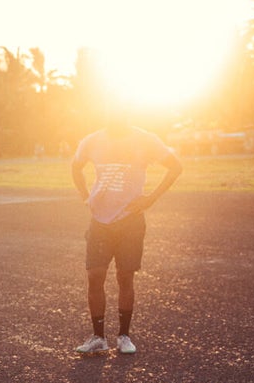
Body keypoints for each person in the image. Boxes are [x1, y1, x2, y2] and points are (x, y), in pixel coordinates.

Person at [71, 114, 182, 354]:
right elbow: (75, 167)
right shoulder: (91, 141)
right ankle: (98, 337)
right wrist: (84, 195)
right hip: (100, 221)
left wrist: (151, 199)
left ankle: (124, 336)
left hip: (130, 221)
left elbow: (175, 166)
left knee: (125, 278)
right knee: (95, 276)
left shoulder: (146, 140)